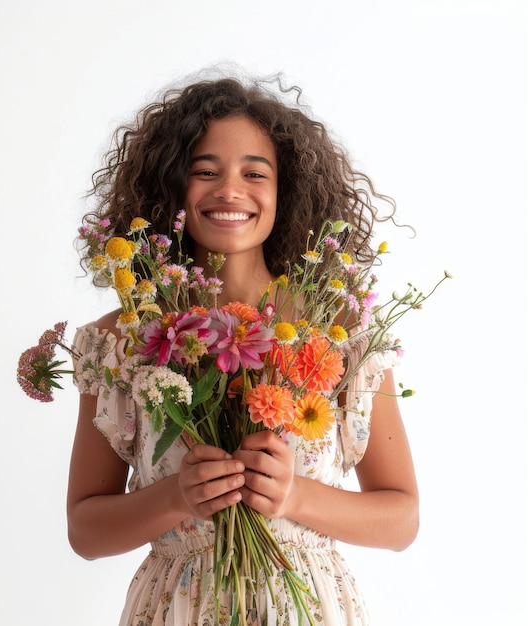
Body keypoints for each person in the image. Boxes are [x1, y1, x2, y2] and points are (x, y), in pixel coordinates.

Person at [66, 72, 418, 625]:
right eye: (204, 171)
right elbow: (85, 531)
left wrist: (295, 496)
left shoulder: (342, 332)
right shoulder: (121, 340)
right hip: (177, 609)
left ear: (286, 189)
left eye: (255, 172)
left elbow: (401, 519)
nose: (230, 190)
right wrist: (175, 498)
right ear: (172, 188)